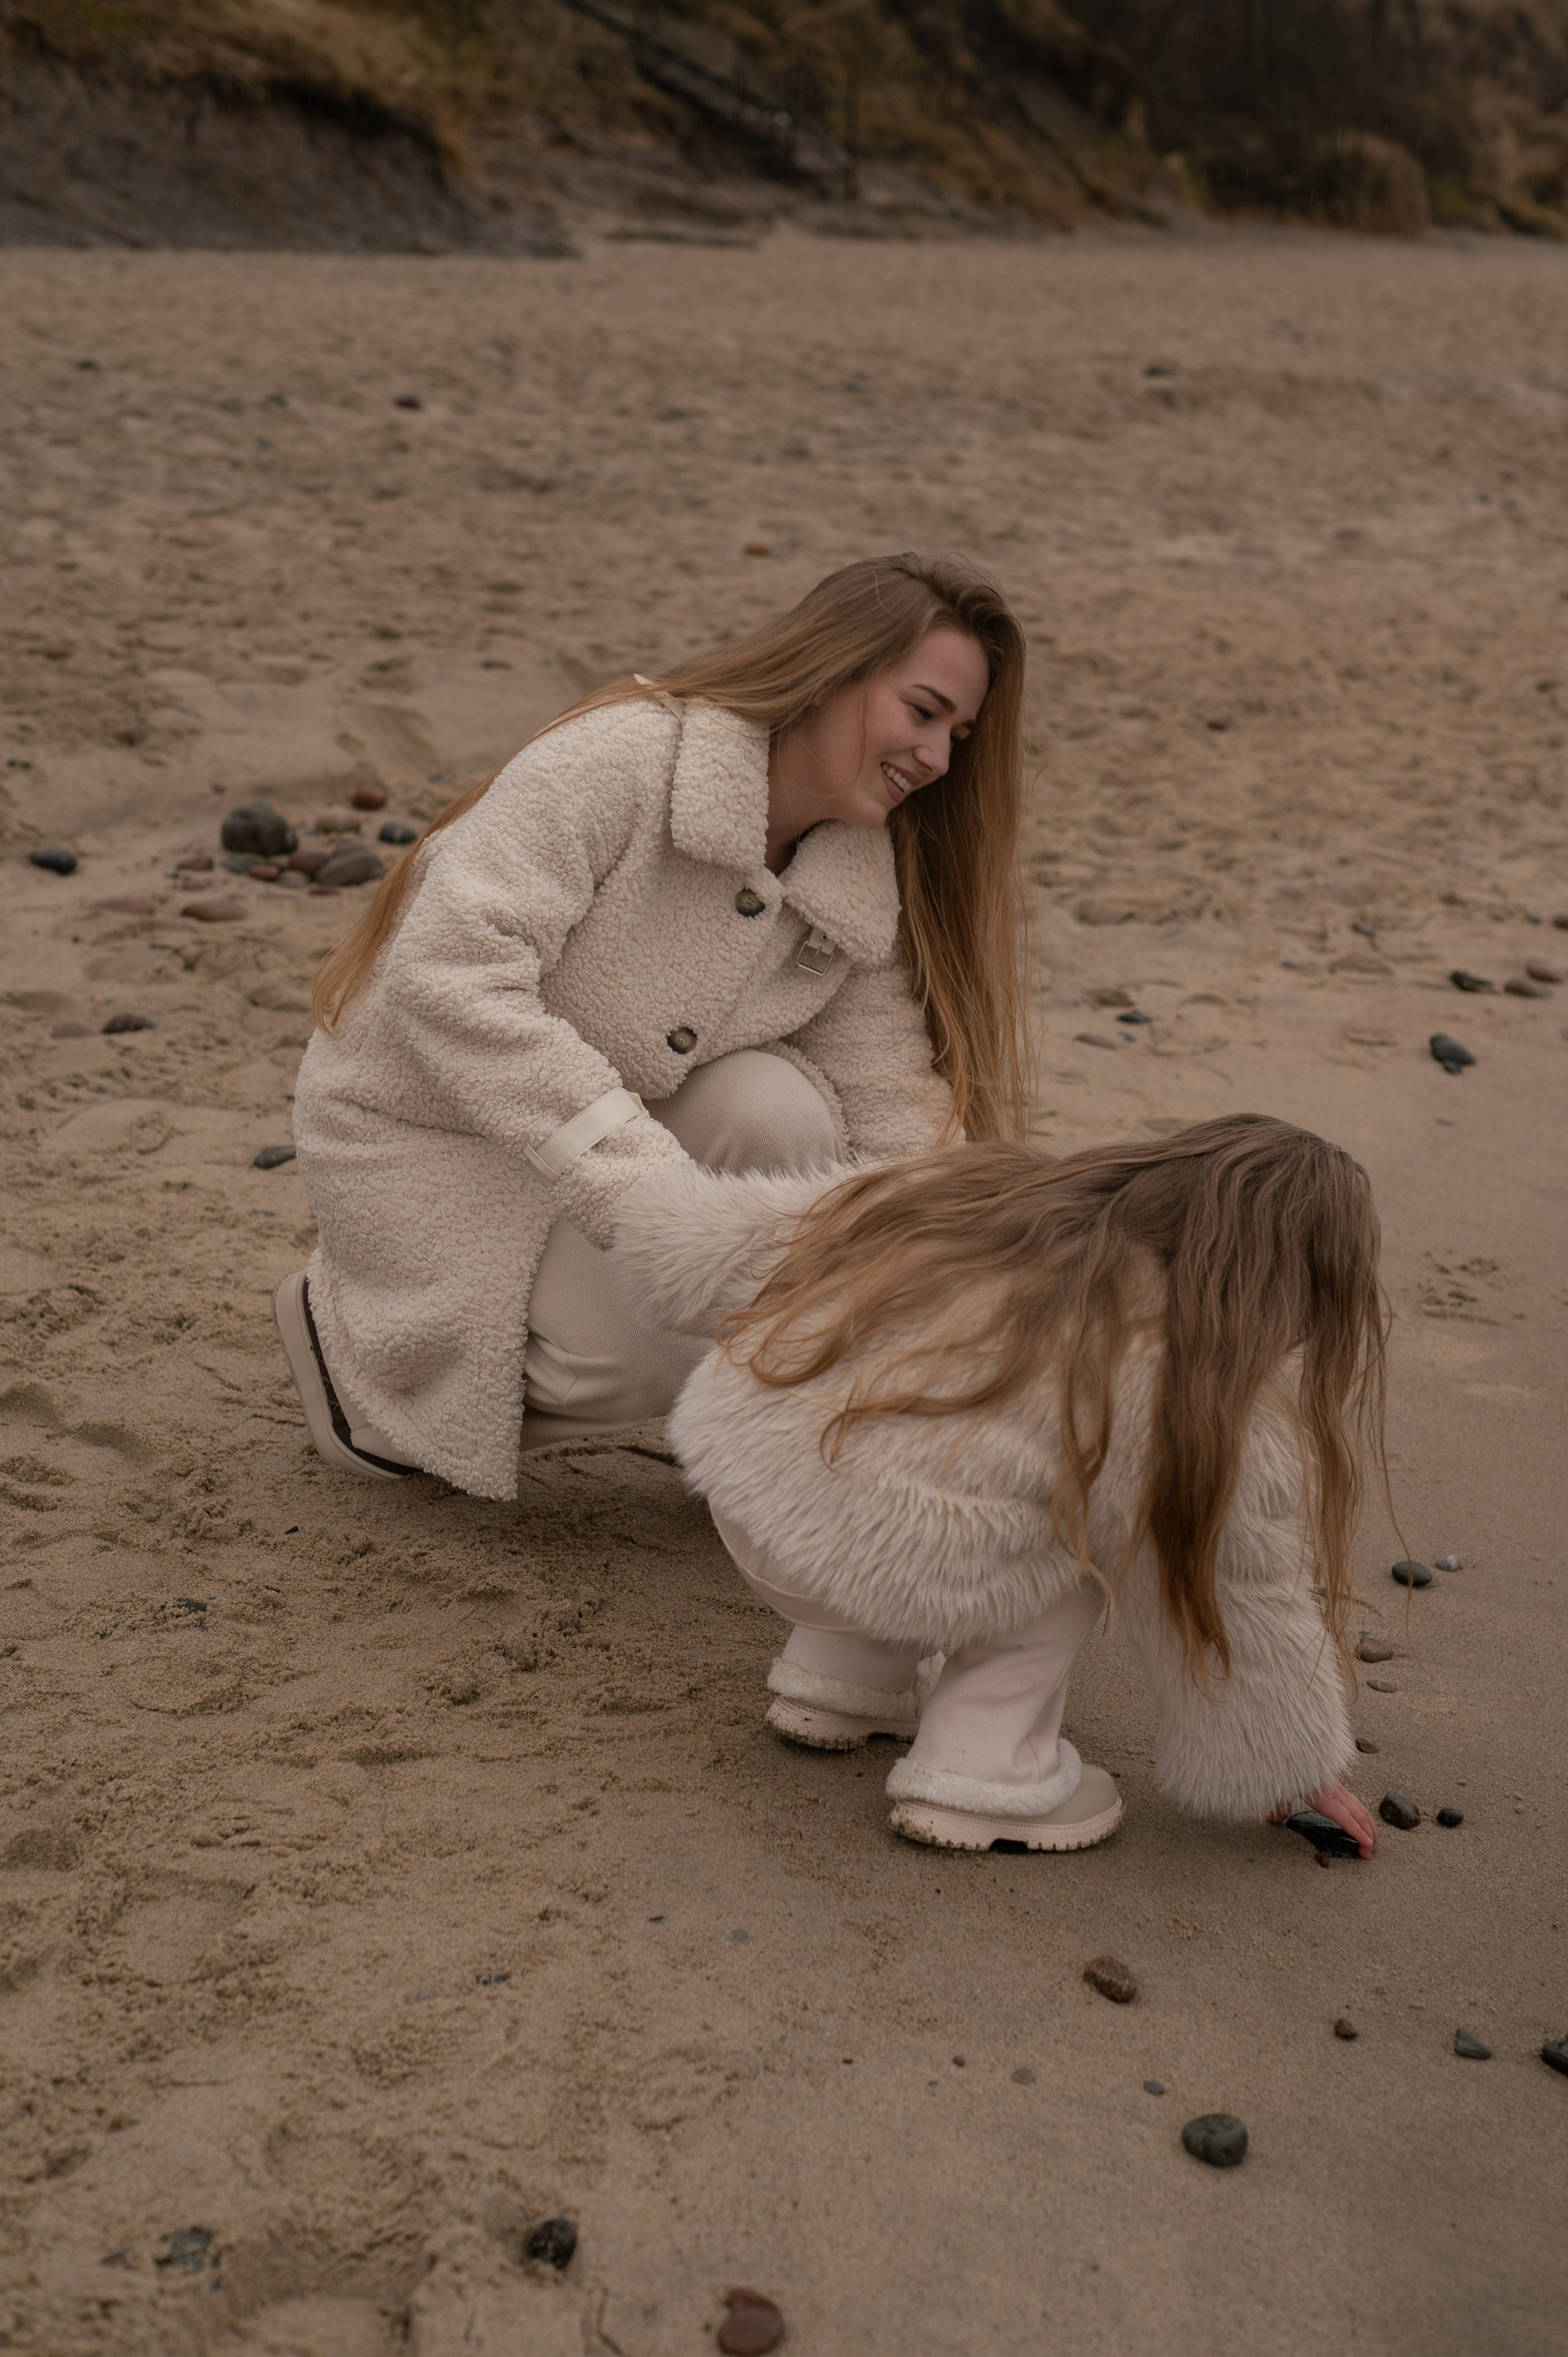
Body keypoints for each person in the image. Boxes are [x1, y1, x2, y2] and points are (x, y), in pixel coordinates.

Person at [274, 553, 1029, 1499]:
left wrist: (974, 1287)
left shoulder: (850, 870)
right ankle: (353, 1340)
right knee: (671, 1357)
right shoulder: (622, 759)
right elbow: (449, 974)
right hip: (423, 1138)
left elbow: (889, 1103)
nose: (939, 759)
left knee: (784, 1113)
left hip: (594, 1143)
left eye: (960, 732)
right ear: (832, 672)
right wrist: (654, 1206)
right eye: (923, 712)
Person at [612, 1115, 1387, 1858]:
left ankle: (841, 1678)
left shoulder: (982, 1195)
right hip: (878, 1550)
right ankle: (983, 1767)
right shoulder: (1196, 1390)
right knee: (1083, 1524)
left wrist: (638, 1211)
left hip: (748, 1492)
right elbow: (1245, 1592)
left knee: (945, 1470)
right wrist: (1290, 1759)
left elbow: (744, 1234)